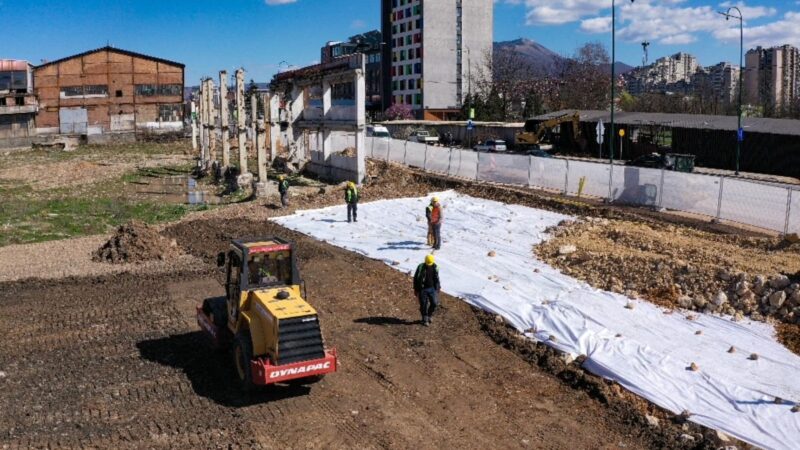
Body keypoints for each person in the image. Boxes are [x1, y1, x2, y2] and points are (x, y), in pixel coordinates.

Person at [414, 254, 441, 326]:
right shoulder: (420, 267)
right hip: (422, 289)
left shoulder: (435, 267)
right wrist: (416, 289)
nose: (429, 265)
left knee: (434, 303)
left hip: (432, 289)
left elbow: (437, 278)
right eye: (427, 263)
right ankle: (424, 318)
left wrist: (438, 287)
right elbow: (416, 279)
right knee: (423, 304)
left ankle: (429, 315)